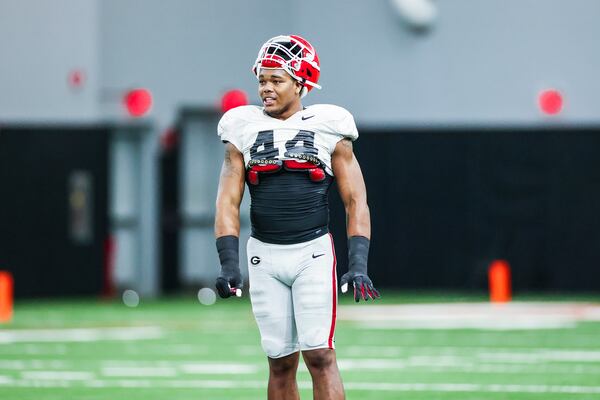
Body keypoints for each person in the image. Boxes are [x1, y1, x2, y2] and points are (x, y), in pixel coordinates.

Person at [214, 34, 379, 400]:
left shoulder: (329, 124)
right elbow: (227, 201)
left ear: (302, 83)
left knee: (320, 355)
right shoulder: (241, 125)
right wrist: (228, 263)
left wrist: (358, 261)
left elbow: (356, 201)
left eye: (277, 80)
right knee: (279, 361)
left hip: (312, 254)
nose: (266, 89)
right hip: (264, 255)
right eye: (262, 80)